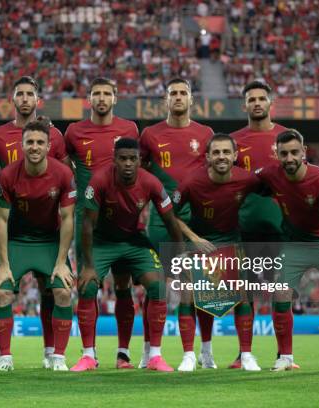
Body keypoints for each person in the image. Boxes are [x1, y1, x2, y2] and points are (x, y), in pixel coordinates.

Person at [71, 138, 183, 372]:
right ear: (114, 160)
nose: (128, 164)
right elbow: (87, 225)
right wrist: (89, 265)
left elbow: (172, 224)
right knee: (88, 286)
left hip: (134, 240)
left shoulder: (151, 182)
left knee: (157, 287)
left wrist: (177, 262)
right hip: (102, 241)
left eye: (133, 159)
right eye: (123, 159)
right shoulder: (100, 180)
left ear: (140, 161)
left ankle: (154, 356)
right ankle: (89, 356)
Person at [0, 76, 69, 367]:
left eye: (28, 94)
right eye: (18, 94)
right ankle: (4, 356)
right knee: (3, 290)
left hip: (48, 234)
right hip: (15, 237)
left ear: (37, 99)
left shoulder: (57, 140)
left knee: (58, 290)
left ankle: (54, 354)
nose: (23, 99)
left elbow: (62, 178)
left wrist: (62, 259)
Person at [255, 129, 319, 372]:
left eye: (294, 152)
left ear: (304, 152)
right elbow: (246, 180)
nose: (289, 158)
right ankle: (285, 357)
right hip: (293, 244)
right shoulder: (270, 174)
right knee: (280, 295)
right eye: (283, 153)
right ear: (277, 154)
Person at [139, 77, 214, 369]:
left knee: (195, 288)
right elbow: (139, 174)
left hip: (196, 221)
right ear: (166, 100)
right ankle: (148, 351)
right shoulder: (150, 134)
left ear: (192, 99)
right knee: (155, 287)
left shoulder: (205, 133)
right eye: (174, 93)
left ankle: (199, 352)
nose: (179, 97)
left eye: (184, 93)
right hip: (160, 222)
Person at [65, 77, 140, 368]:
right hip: (88, 221)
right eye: (96, 93)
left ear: (115, 97)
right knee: (87, 285)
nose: (101, 98)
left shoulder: (129, 129)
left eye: (107, 93)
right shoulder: (74, 132)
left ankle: (123, 353)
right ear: (89, 98)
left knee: (123, 285)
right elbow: (63, 158)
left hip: (122, 219)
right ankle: (88, 354)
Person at [172, 133, 262, 371]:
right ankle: (192, 355)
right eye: (216, 152)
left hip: (232, 241)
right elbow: (170, 213)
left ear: (235, 156)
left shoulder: (248, 180)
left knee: (243, 295)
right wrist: (193, 238)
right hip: (201, 243)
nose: (221, 156)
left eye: (226, 152)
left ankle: (246, 355)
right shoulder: (192, 182)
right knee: (191, 294)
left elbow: (272, 191)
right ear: (208, 157)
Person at [228, 80, 294, 369]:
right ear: (244, 105)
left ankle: (285, 356)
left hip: (281, 227)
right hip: (242, 228)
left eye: (261, 98)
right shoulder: (232, 142)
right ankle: (244, 354)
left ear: (270, 103)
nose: (256, 103)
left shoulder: (285, 138)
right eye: (251, 99)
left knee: (281, 290)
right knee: (244, 292)